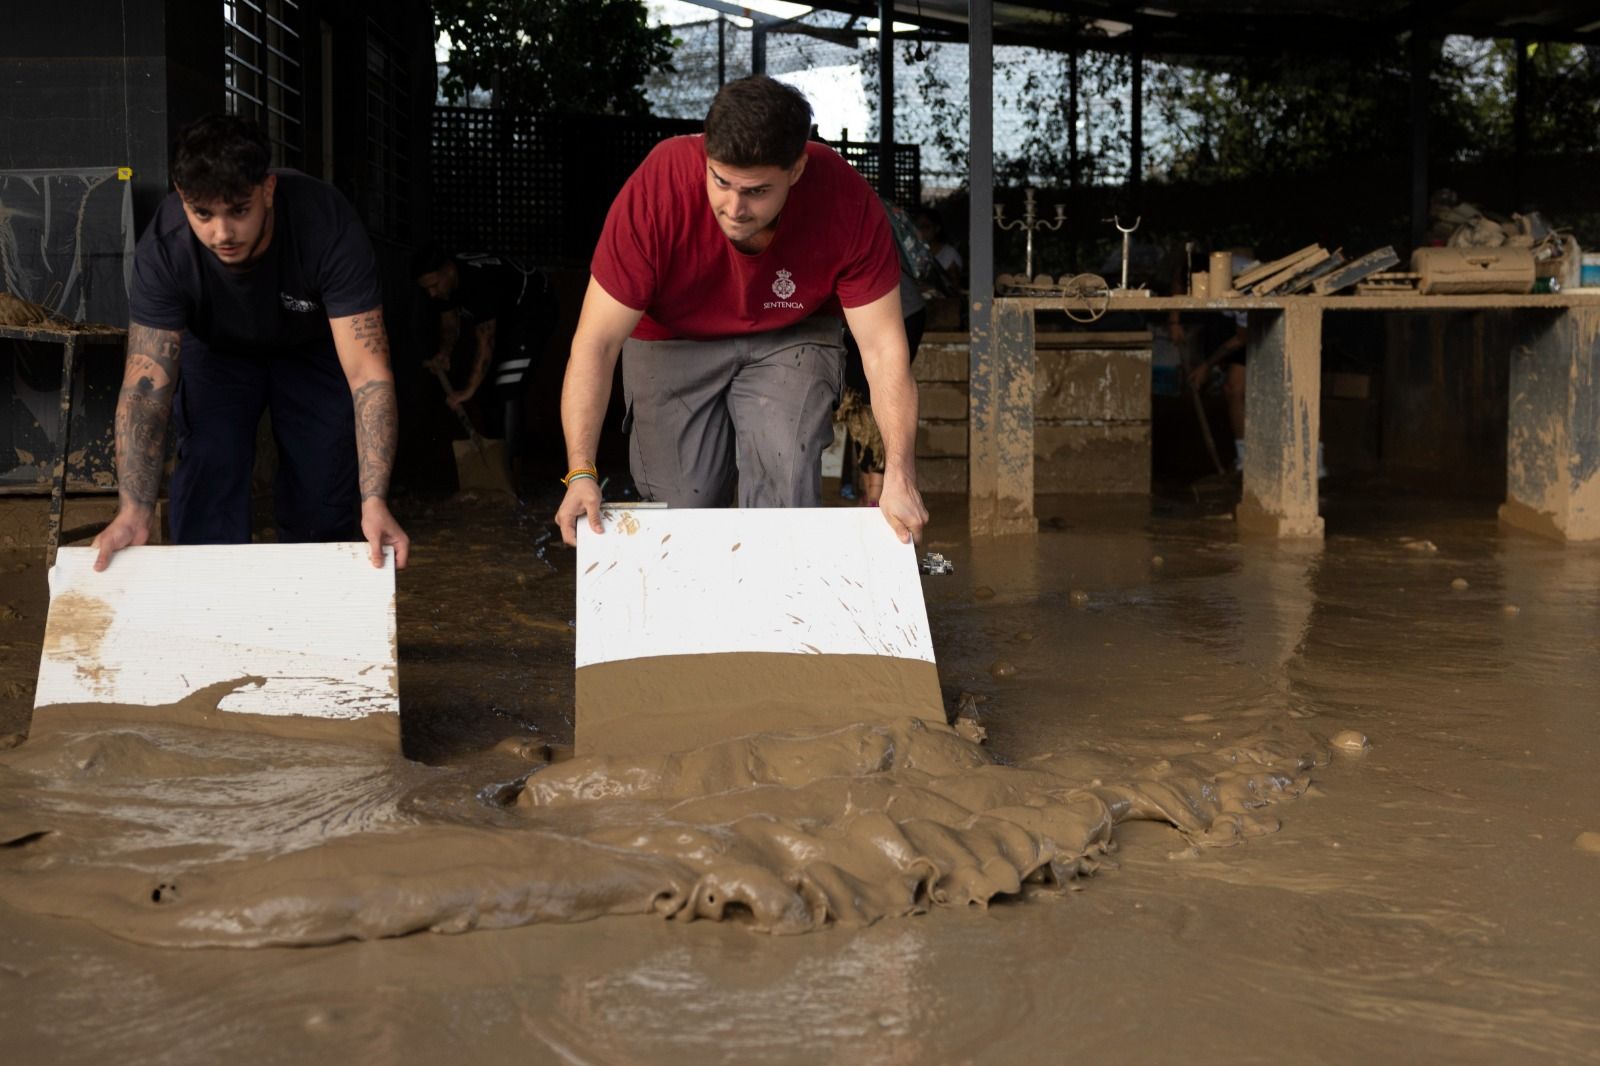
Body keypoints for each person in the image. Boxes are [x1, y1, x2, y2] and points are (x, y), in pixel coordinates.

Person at [555, 75, 926, 546]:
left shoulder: (845, 200)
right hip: (671, 338)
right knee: (678, 514)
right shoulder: (658, 188)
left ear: (796, 169)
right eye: (721, 181)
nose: (733, 208)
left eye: (756, 191)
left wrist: (900, 473)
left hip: (792, 329)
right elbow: (596, 343)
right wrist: (580, 471)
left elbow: (882, 350)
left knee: (784, 481)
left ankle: (778, 612)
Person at [92, 114, 408, 570]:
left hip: (313, 346)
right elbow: (145, 391)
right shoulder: (165, 248)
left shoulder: (325, 224)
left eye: (239, 210)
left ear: (268, 190)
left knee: (322, 491)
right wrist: (134, 509)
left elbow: (369, 376)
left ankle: (313, 623)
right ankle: (211, 622)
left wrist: (375, 501)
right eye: (203, 214)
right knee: (209, 467)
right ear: (183, 199)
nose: (222, 234)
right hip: (217, 350)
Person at [412, 247, 558, 468]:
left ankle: (512, 469)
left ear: (449, 271)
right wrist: (445, 353)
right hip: (507, 314)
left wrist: (468, 390)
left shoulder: (478, 283)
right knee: (487, 388)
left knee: (508, 384)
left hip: (535, 306)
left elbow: (486, 340)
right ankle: (495, 461)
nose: (431, 293)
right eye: (427, 288)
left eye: (434, 285)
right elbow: (450, 323)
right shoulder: (444, 285)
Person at [838, 198, 929, 506]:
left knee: (873, 393)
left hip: (894, 310)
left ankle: (876, 495)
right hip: (864, 312)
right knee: (858, 395)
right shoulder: (880, 207)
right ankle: (871, 490)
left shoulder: (855, 210)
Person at [914, 206, 963, 291]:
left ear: (937, 228)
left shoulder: (949, 254)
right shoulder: (914, 252)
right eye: (917, 227)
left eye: (925, 226)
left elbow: (953, 286)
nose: (920, 231)